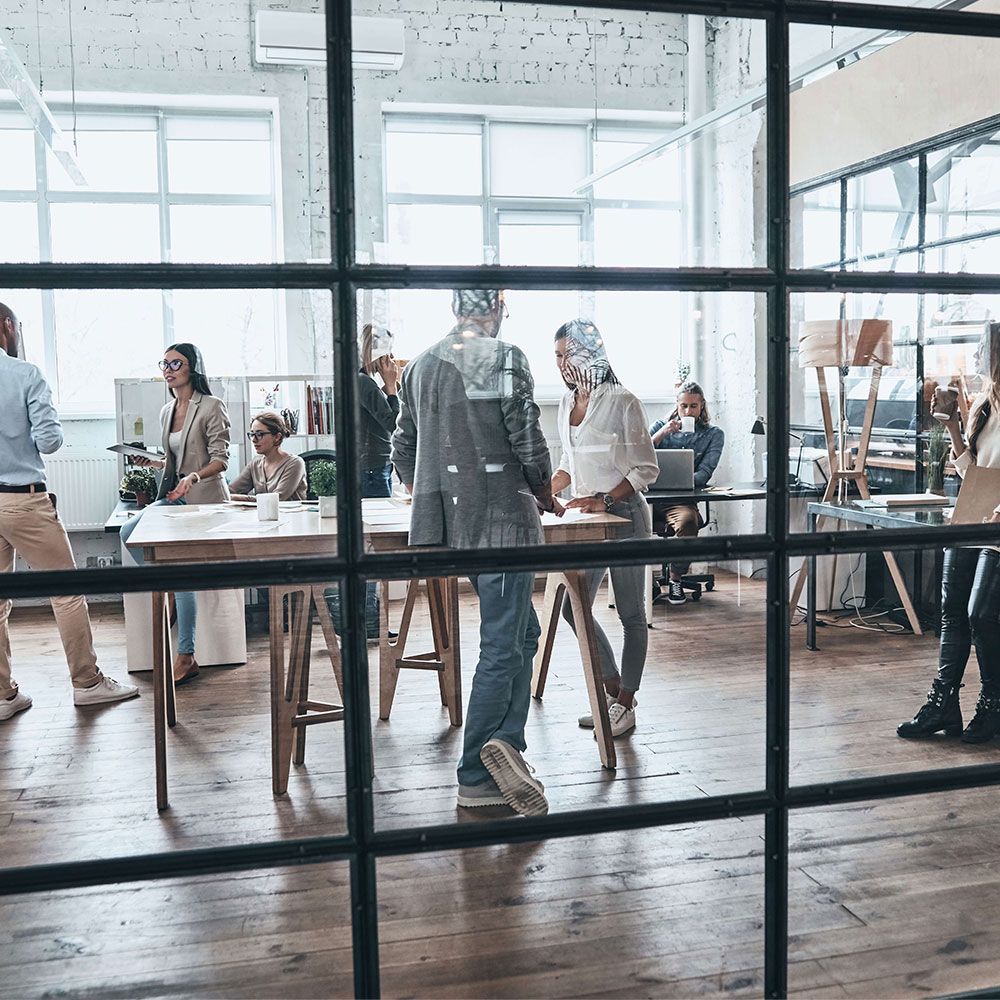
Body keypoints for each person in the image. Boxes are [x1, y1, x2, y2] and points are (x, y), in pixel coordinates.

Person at [391, 288, 559, 816]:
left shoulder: (419, 366)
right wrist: (544, 490)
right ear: (497, 308)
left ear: (455, 308)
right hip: (502, 520)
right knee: (503, 644)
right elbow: (526, 437)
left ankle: (506, 746)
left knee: (523, 634)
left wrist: (431, 494)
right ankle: (477, 773)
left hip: (450, 524)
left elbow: (402, 446)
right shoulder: (502, 356)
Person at [0, 301, 138, 722]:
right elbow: (49, 442)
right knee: (67, 591)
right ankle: (88, 683)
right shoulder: (25, 374)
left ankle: (3, 696)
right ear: (6, 326)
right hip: (23, 499)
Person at [550, 319, 658, 738]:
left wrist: (606, 499)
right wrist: (544, 489)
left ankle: (625, 704)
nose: (562, 363)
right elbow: (569, 465)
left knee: (631, 614)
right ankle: (614, 691)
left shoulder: (623, 401)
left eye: (568, 354)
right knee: (571, 607)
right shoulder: (566, 401)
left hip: (626, 517)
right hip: (589, 523)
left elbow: (645, 468)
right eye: (557, 355)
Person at [898, 323, 1000, 745]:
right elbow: (969, 469)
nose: (975, 356)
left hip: (998, 523)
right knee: (951, 610)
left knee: (982, 614)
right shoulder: (984, 408)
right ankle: (943, 705)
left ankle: (993, 707)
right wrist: (954, 425)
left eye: (982, 349)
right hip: (973, 513)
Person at [120, 343, 232, 686]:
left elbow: (221, 459)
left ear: (192, 368)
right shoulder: (167, 410)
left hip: (204, 501)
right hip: (175, 497)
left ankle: (186, 655)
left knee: (182, 574)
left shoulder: (211, 405)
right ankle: (167, 587)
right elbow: (175, 460)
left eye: (175, 363)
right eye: (164, 364)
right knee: (128, 532)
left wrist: (194, 477)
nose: (167, 370)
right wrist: (152, 463)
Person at [648, 381, 725, 605]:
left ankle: (675, 579)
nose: (688, 411)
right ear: (677, 405)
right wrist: (663, 433)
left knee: (688, 523)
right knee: (626, 522)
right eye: (684, 406)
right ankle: (646, 583)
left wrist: (681, 480)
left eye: (693, 406)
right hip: (648, 498)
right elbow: (638, 455)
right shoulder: (660, 426)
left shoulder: (713, 434)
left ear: (702, 406)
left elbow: (705, 473)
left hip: (681, 501)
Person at [358, 324, 401, 637]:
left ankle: (367, 621)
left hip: (370, 468)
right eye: (388, 350)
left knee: (368, 547)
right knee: (374, 548)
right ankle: (370, 622)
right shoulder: (366, 383)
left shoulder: (358, 380)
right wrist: (392, 387)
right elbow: (393, 424)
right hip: (373, 470)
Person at [229, 411, 307, 501]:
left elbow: (276, 498)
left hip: (287, 510)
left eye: (259, 434)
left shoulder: (295, 463)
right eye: (252, 434)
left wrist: (234, 497)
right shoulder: (256, 463)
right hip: (261, 510)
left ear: (277, 437)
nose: (254, 440)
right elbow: (231, 490)